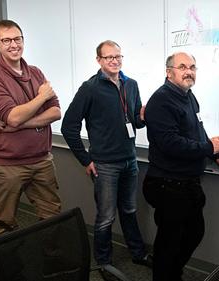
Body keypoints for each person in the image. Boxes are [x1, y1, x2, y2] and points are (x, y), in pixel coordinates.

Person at [143, 52, 219, 281]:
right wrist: (208, 147)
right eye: (183, 66)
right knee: (169, 243)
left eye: (193, 67)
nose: (189, 71)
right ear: (169, 72)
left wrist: (215, 155)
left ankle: (173, 273)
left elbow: (196, 128)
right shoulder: (161, 100)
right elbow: (170, 144)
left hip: (186, 183)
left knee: (194, 233)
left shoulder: (187, 94)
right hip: (167, 184)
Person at [61, 40, 152, 278]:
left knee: (130, 210)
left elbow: (134, 121)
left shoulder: (131, 85)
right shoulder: (90, 88)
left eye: (118, 56)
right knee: (106, 217)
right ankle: (103, 262)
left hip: (129, 160)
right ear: (99, 60)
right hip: (104, 164)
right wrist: (85, 159)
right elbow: (69, 126)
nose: (114, 61)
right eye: (109, 57)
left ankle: (138, 253)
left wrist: (143, 117)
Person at [0, 20, 62, 236]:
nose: (13, 45)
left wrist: (21, 124)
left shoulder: (35, 72)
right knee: (6, 224)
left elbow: (55, 112)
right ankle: (10, 269)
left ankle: (54, 267)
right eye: (6, 40)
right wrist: (42, 97)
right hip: (6, 165)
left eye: (17, 39)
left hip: (41, 160)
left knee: (53, 219)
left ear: (23, 40)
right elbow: (12, 116)